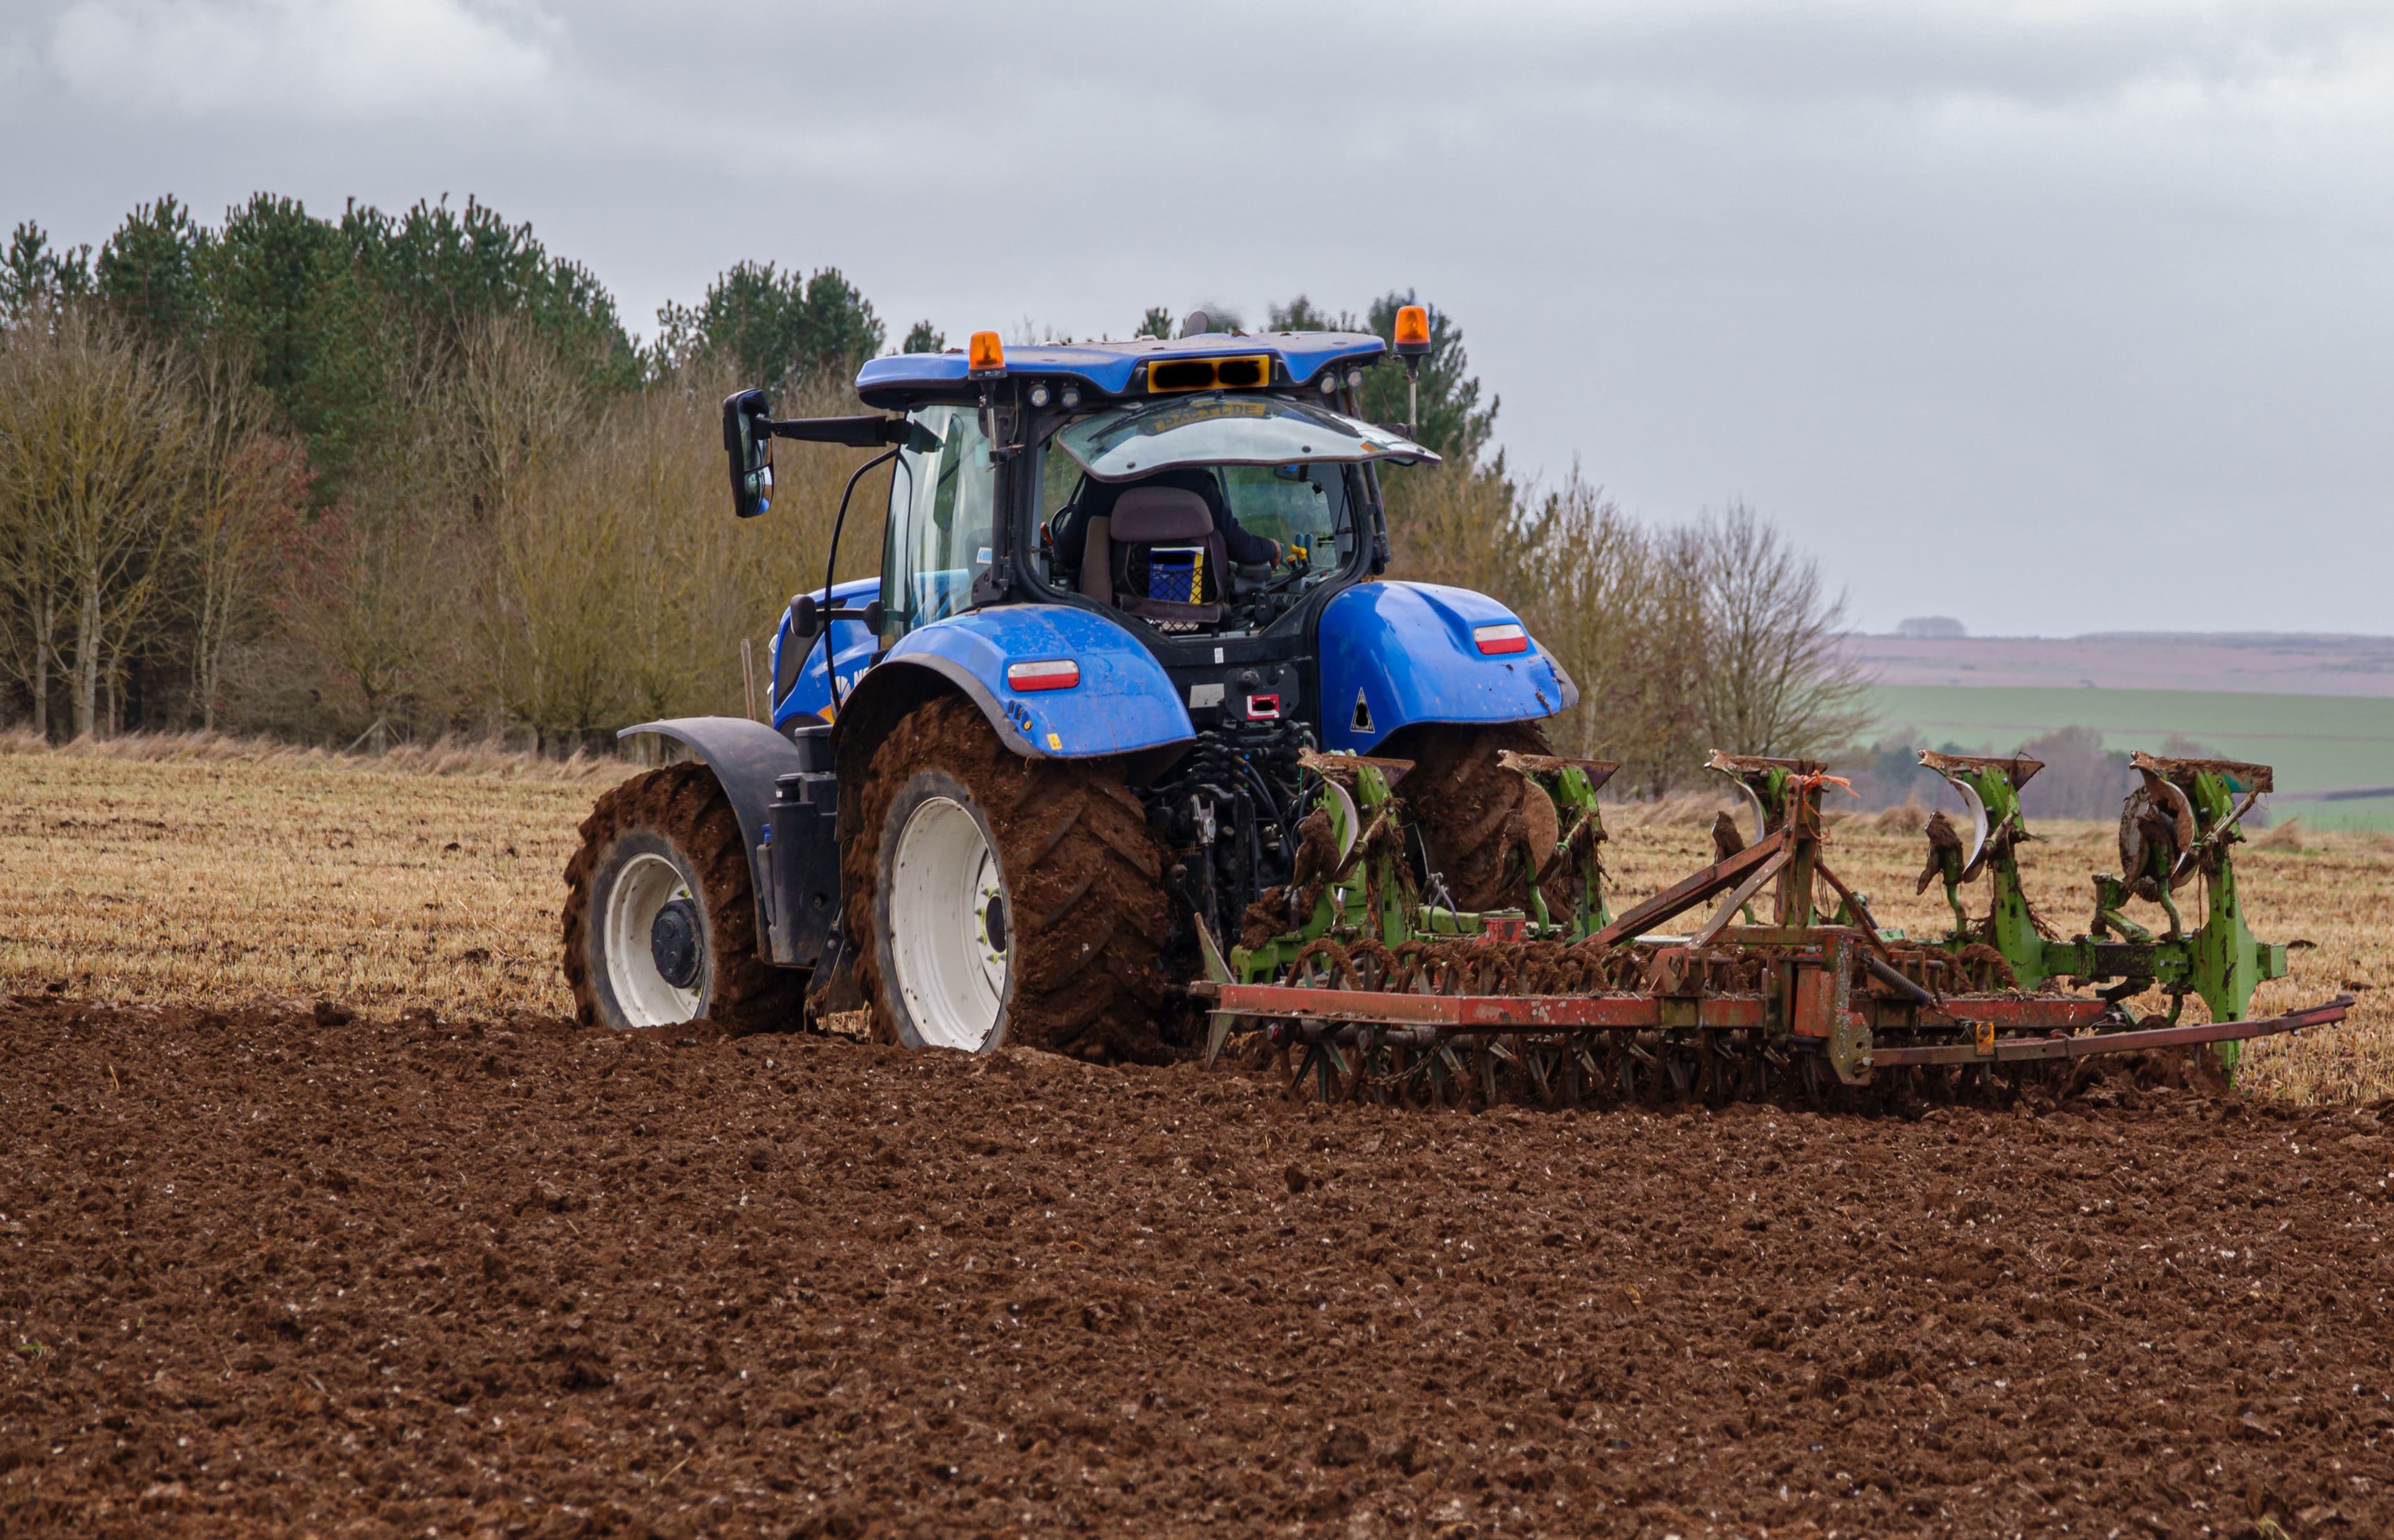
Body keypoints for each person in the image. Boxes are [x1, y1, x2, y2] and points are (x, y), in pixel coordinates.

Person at [1053, 468, 1281, 590]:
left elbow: (1067, 555)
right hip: (1203, 617)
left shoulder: (1103, 483)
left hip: (1117, 618)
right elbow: (1242, 549)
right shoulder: (1199, 484)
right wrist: (1271, 548)